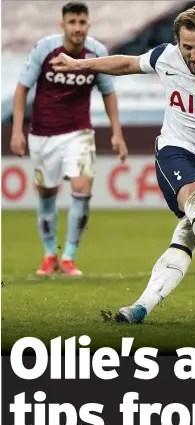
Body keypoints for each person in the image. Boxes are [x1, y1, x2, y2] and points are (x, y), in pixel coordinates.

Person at [50, 5, 195, 323]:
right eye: (187, 47)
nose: (194, 55)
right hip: (176, 151)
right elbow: (127, 63)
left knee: (189, 232)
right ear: (178, 43)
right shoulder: (167, 56)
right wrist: (81, 64)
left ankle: (140, 308)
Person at [10, 1, 128, 277]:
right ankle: (50, 254)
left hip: (79, 132)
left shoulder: (96, 53)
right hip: (43, 133)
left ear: (89, 24)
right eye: (72, 22)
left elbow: (108, 92)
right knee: (47, 193)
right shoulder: (44, 48)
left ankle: (69, 257)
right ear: (62, 25)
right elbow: (22, 89)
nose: (77, 28)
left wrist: (117, 134)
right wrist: (17, 130)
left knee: (83, 188)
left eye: (82, 22)